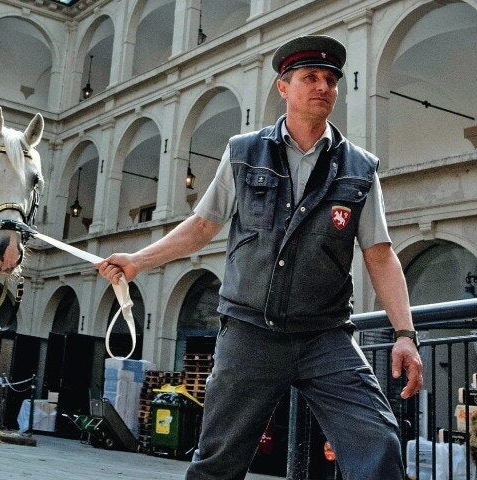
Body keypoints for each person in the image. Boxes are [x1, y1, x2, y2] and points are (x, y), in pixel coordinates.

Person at [97, 35, 423, 479]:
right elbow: (202, 226)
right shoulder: (243, 152)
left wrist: (405, 334)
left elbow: (380, 256)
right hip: (250, 332)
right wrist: (137, 260)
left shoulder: (360, 168)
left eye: (331, 80)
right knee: (218, 462)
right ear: (283, 87)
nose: (323, 87)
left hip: (325, 336)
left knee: (379, 442)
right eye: (310, 77)